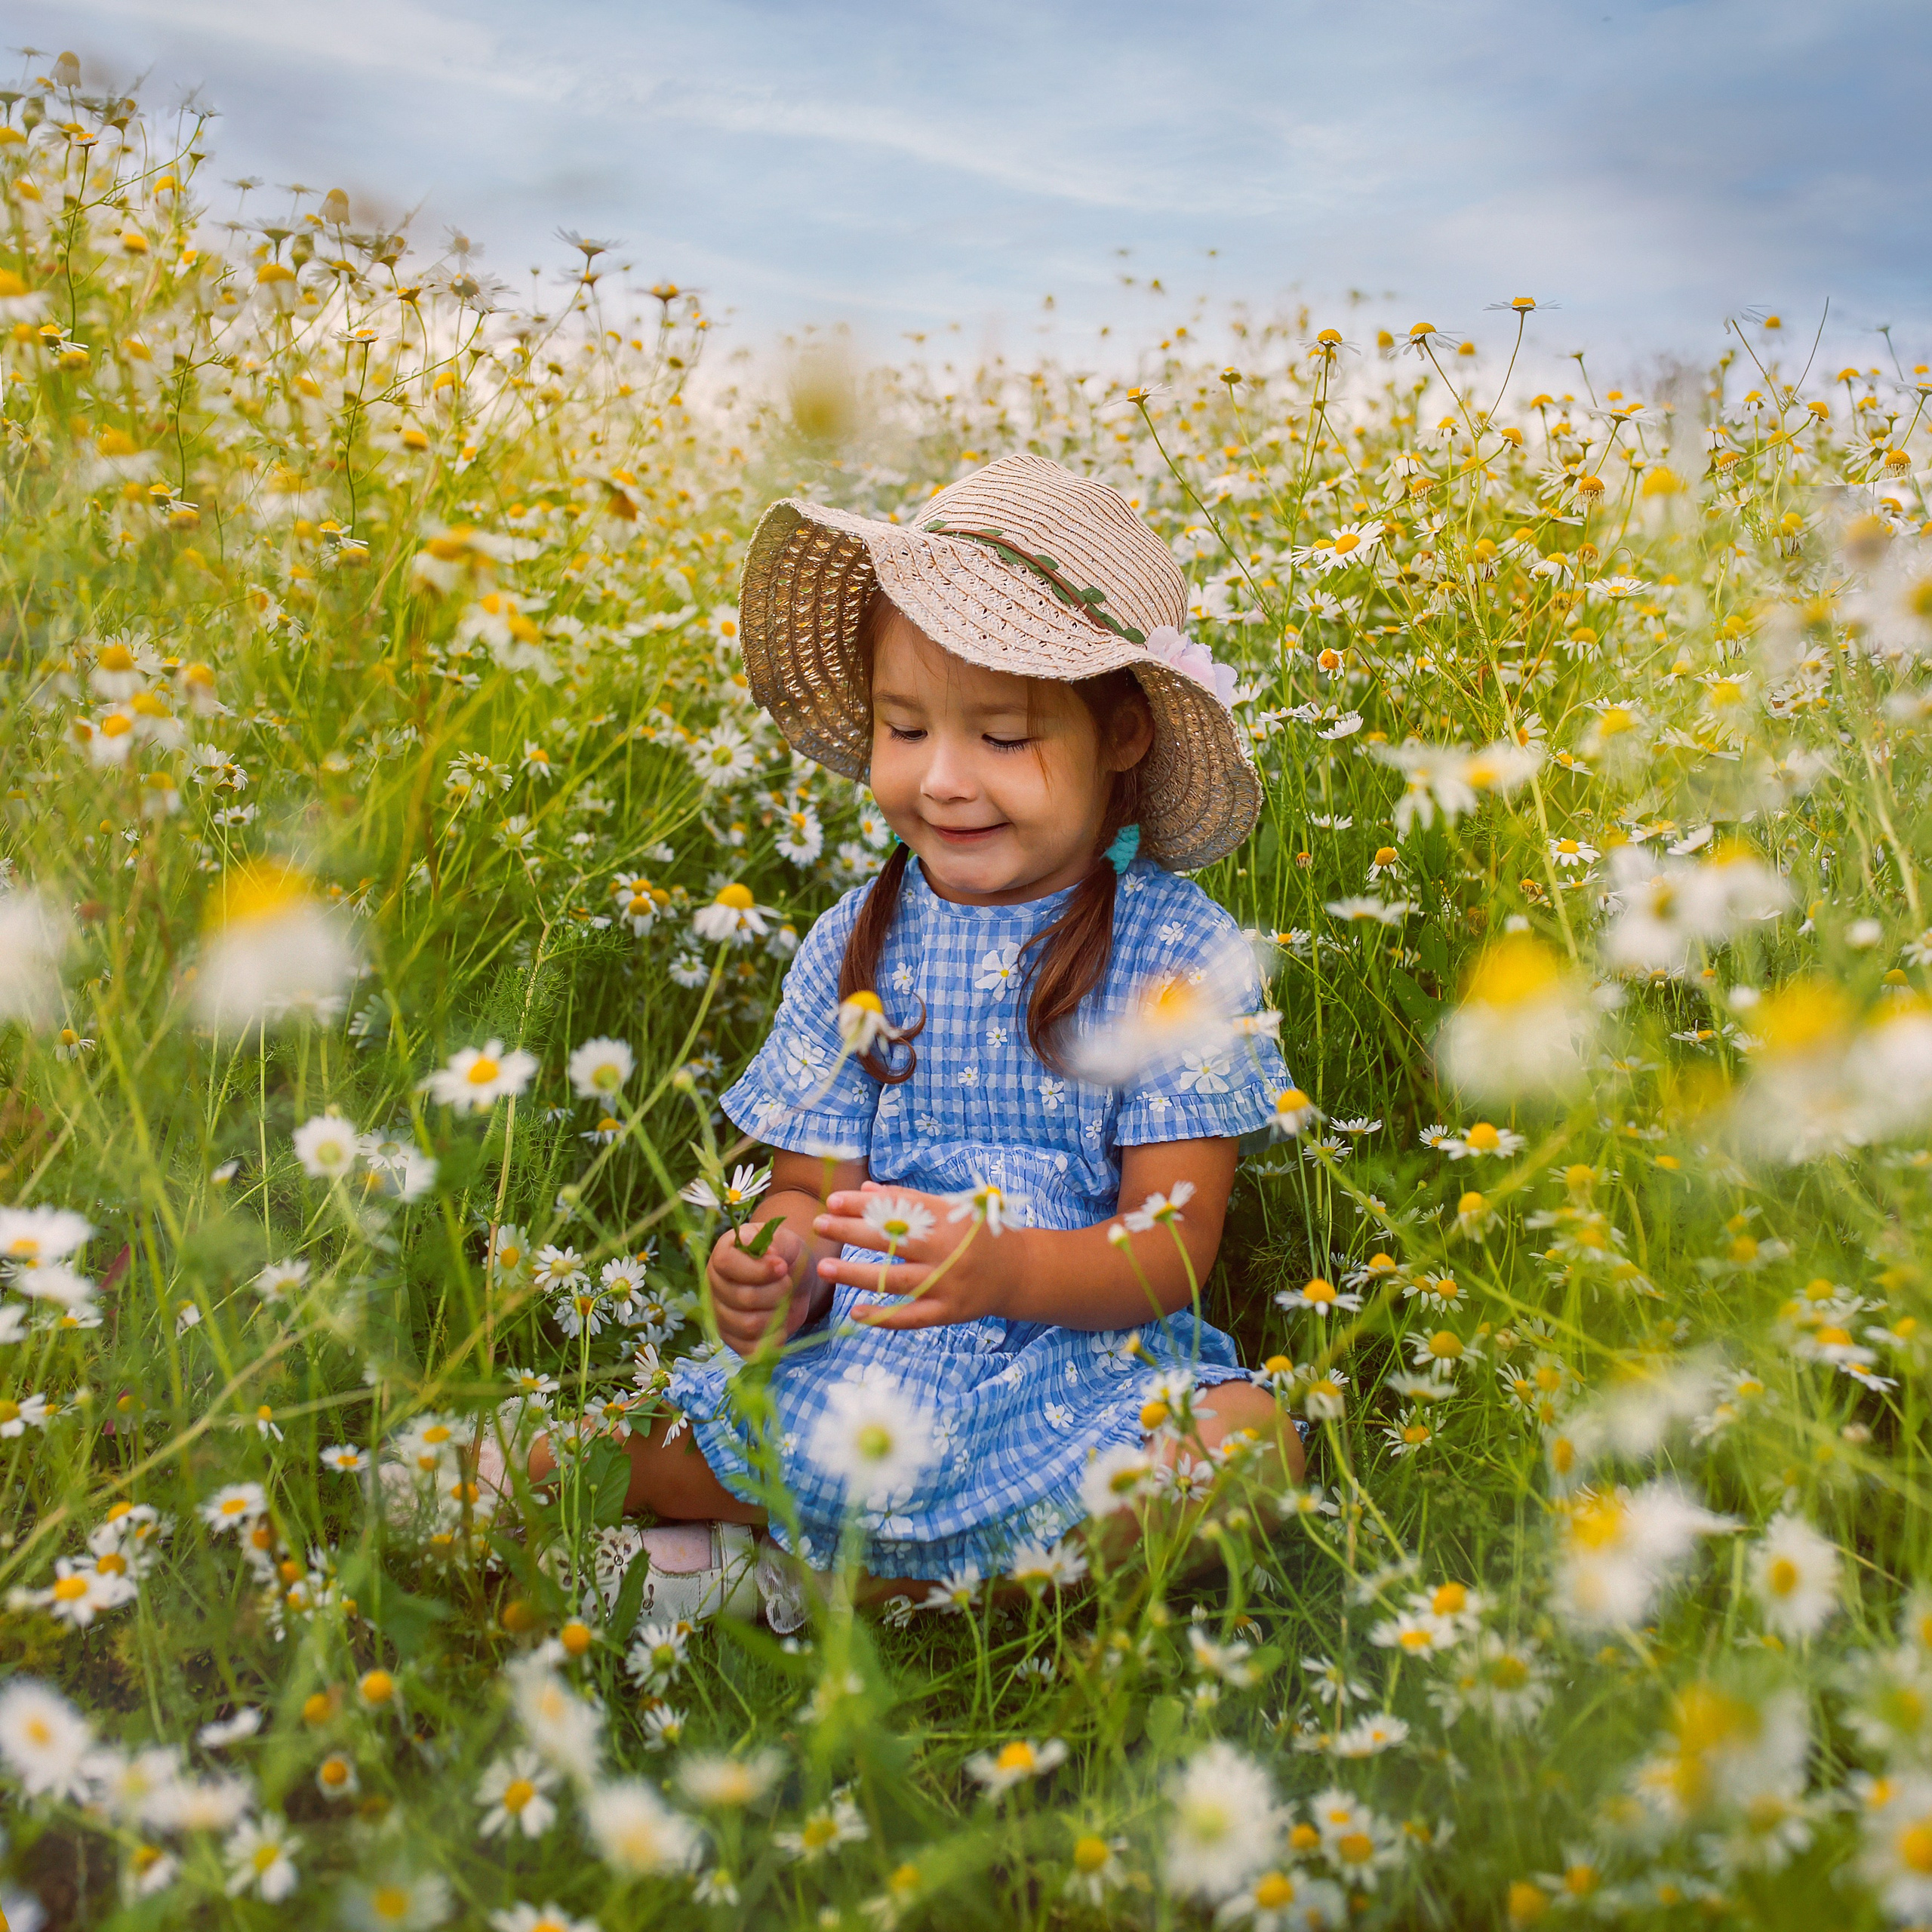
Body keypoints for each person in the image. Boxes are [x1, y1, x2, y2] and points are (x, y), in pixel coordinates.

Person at [537, 451, 1303, 1626]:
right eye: (905, 727)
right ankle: (860, 1572)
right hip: (871, 1365)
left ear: (1125, 739)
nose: (943, 780)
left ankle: (782, 1579)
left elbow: (1178, 1240)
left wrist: (1006, 1271)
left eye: (1002, 738)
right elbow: (806, 1193)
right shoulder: (859, 937)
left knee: (1250, 1454)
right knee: (546, 1448)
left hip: (1080, 1375)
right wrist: (772, 1268)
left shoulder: (1174, 953)